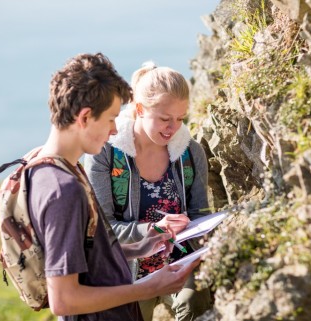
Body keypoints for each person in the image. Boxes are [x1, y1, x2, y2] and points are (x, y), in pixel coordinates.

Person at [27, 53, 199, 321]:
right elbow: (63, 300)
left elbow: (85, 254)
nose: (115, 131)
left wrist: (137, 248)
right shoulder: (64, 189)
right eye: (111, 119)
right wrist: (146, 287)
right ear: (85, 117)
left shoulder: (39, 167)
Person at [84, 62, 212, 321]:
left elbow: (200, 213)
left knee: (194, 303)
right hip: (126, 272)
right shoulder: (105, 154)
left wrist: (203, 243)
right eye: (165, 119)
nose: (173, 127)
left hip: (180, 264)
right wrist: (154, 229)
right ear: (140, 109)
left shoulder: (190, 152)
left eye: (180, 119)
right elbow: (105, 229)